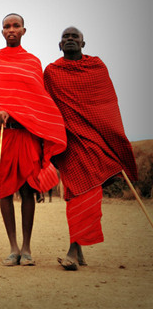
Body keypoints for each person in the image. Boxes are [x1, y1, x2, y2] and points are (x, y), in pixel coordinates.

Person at [44, 26, 138, 270]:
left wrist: (111, 138)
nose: (70, 39)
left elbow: (106, 104)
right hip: (70, 143)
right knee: (75, 193)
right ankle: (77, 250)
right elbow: (47, 105)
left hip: (95, 141)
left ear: (83, 44)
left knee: (87, 193)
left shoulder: (97, 68)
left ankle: (73, 251)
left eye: (75, 37)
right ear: (59, 45)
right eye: (66, 37)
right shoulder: (52, 72)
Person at [0, 13, 66, 266]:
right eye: (6, 26)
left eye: (15, 26)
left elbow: (38, 98)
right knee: (5, 190)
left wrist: (35, 122)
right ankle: (13, 247)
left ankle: (27, 248)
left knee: (28, 189)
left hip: (28, 134)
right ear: (2, 32)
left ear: (23, 30)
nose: (11, 30)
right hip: (3, 134)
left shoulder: (32, 62)